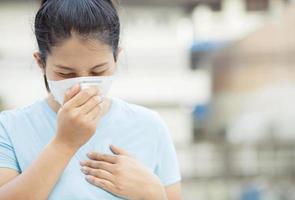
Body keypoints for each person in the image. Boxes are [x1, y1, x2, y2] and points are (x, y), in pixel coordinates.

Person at [0, 0, 182, 199]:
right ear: (41, 62)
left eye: (98, 71)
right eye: (66, 74)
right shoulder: (9, 128)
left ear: (116, 58)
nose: (82, 86)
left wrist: (154, 193)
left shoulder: (150, 126)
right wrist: (64, 144)